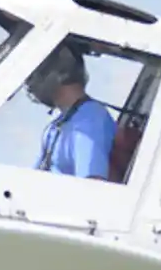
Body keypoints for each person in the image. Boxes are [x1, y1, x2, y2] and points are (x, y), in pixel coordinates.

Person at [27, 48, 119, 180]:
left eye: (35, 74)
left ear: (63, 72)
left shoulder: (89, 120)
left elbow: (92, 186)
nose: (30, 84)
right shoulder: (55, 127)